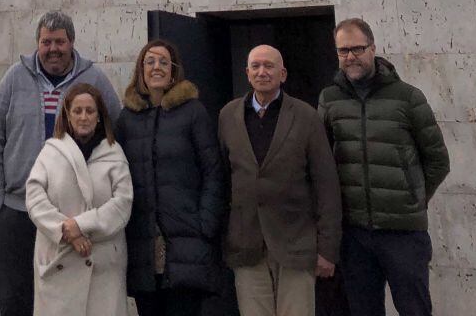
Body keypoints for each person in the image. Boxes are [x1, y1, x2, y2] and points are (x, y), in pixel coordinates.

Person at [0, 11, 121, 316]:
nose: (53, 49)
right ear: (37, 43)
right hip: (17, 212)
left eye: (59, 42)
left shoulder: (94, 79)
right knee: (15, 297)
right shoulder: (15, 78)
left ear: (72, 42)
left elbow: (116, 132)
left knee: (64, 300)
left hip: (73, 217)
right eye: (46, 42)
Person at [318, 18, 450, 316]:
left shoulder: (408, 97)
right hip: (354, 234)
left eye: (357, 48)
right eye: (343, 51)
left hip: (403, 234)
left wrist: (413, 198)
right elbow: (321, 162)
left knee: (415, 309)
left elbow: (438, 160)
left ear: (373, 48)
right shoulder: (329, 99)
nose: (350, 56)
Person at [217, 45, 341, 316]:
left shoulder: (306, 116)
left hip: (296, 242)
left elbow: (326, 186)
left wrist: (327, 248)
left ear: (282, 74)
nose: (262, 72)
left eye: (269, 66)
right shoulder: (228, 116)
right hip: (246, 244)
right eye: (256, 66)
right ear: (247, 73)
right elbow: (222, 180)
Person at [115, 39, 224, 316]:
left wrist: (205, 224)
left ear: (174, 71)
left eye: (164, 62)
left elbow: (213, 172)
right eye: (150, 61)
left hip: (187, 241)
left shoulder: (193, 112)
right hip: (142, 245)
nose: (157, 67)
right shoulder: (127, 118)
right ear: (140, 70)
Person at [25, 82, 133, 316]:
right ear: (68, 114)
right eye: (77, 111)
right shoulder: (50, 152)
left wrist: (81, 225)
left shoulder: (114, 153)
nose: (84, 117)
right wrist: (66, 230)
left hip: (103, 268)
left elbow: (123, 202)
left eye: (90, 111)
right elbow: (34, 198)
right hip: (59, 260)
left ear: (99, 115)